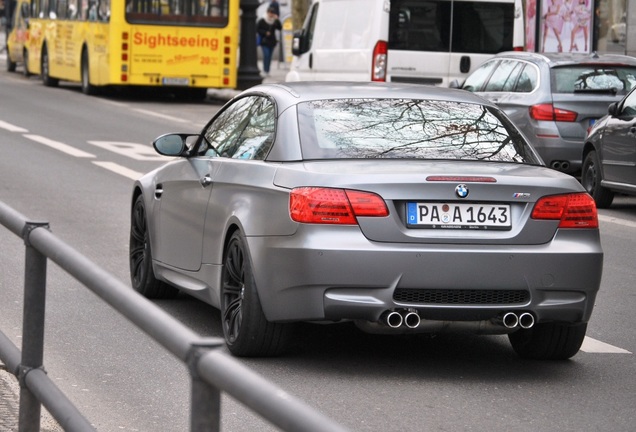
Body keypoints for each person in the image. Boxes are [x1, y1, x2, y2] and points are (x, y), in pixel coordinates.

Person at [257, 5, 282, 77]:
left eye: (272, 13)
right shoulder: (262, 20)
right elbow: (258, 29)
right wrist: (265, 32)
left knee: (269, 57)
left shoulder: (274, 21)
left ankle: (267, 70)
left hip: (272, 42)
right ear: (267, 12)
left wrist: (277, 19)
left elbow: (280, 28)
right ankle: (265, 70)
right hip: (264, 41)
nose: (271, 14)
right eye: (270, 13)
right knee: (266, 55)